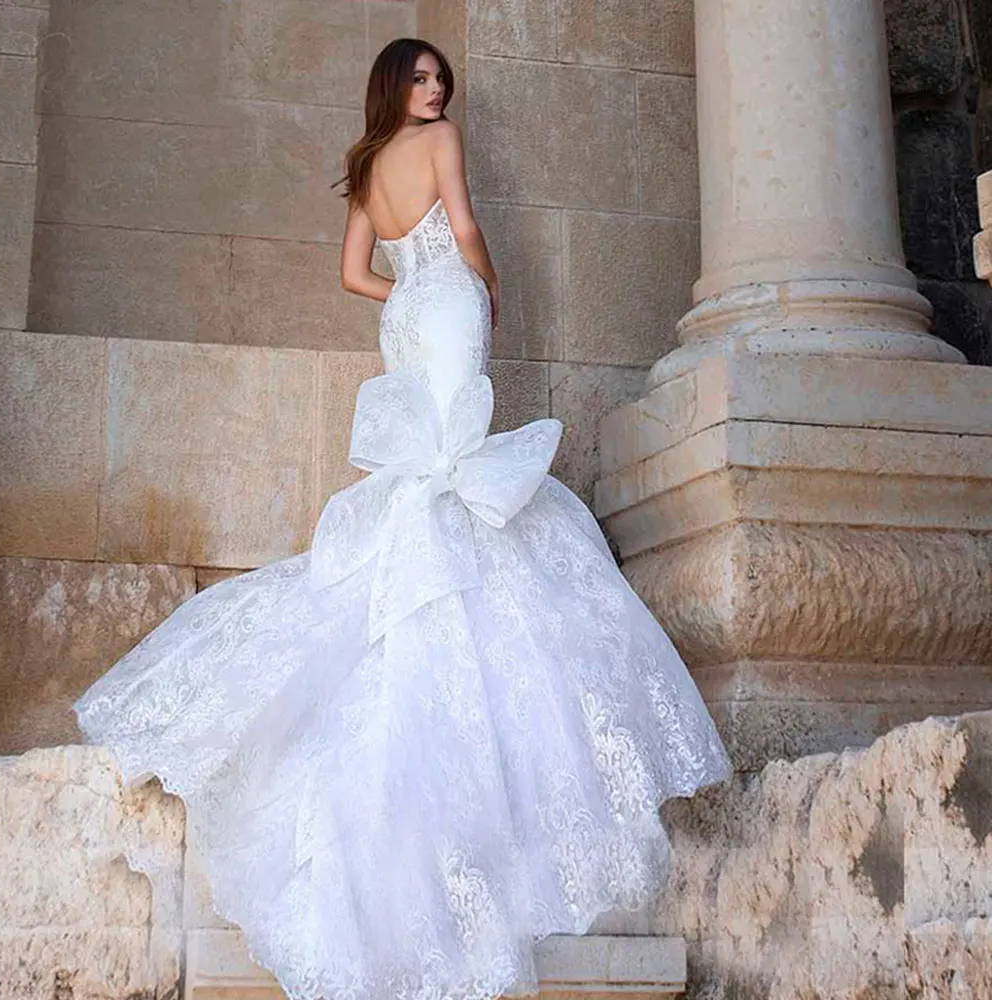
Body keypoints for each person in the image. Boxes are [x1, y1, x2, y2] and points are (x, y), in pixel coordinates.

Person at [74, 37, 732, 1000]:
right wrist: (481, 285)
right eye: (422, 79)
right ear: (398, 86)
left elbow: (352, 274)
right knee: (455, 465)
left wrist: (408, 297)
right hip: (450, 307)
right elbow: (462, 226)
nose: (436, 91)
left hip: (406, 318)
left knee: (431, 469)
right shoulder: (440, 143)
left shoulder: (364, 166)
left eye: (439, 80)